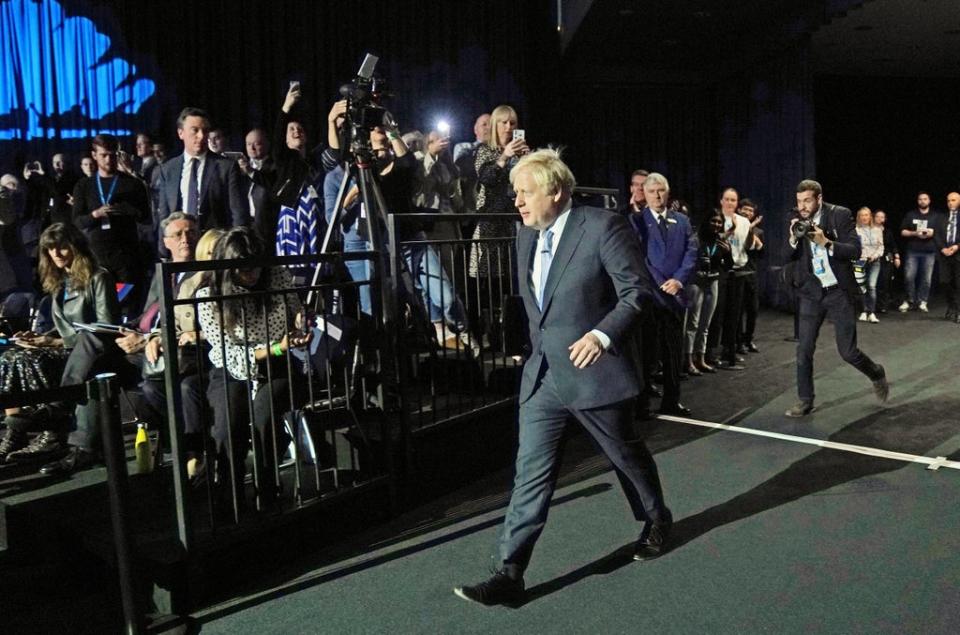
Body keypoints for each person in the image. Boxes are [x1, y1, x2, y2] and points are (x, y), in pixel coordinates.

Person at [454, 149, 671, 607]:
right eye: (515, 193)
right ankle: (509, 572)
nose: (517, 201)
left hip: (595, 372)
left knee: (625, 454)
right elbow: (539, 310)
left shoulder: (603, 226)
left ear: (556, 190)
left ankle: (656, 517)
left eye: (525, 192)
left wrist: (601, 336)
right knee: (530, 474)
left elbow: (637, 293)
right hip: (543, 379)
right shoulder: (524, 237)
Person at [195, 227, 311, 502]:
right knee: (227, 424)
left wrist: (300, 322)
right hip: (232, 366)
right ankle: (229, 496)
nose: (252, 275)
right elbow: (228, 353)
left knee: (265, 414)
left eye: (255, 267)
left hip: (278, 364)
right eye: (244, 269)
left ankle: (267, 490)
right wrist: (275, 348)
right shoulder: (207, 298)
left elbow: (295, 309)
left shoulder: (276, 276)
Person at [0, 223, 121, 465]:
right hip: (66, 346)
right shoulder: (60, 282)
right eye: (50, 249)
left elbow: (105, 327)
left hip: (91, 351)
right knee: (11, 356)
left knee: (35, 360)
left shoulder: (99, 277)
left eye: (61, 247)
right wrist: (37, 337)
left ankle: (52, 429)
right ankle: (17, 432)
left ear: (75, 247)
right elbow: (65, 324)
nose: (55, 253)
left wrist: (53, 342)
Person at [784, 179, 888, 417]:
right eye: (799, 201)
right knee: (804, 349)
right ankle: (805, 400)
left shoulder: (839, 215)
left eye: (807, 200)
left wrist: (827, 242)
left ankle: (876, 372)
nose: (802, 206)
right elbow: (786, 255)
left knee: (848, 352)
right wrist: (792, 239)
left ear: (819, 199)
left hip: (839, 292)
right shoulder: (795, 219)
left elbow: (855, 250)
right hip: (811, 292)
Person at [627, 172, 697, 415]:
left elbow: (692, 251)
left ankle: (672, 401)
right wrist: (662, 283)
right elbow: (639, 258)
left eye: (661, 191)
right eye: (652, 191)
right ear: (644, 194)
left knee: (673, 353)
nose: (657, 195)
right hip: (650, 297)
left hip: (676, 297)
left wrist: (678, 280)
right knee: (647, 353)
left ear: (668, 192)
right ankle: (642, 403)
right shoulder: (635, 221)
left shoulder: (683, 221)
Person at [468, 104, 529, 345]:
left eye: (512, 123)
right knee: (484, 285)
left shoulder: (520, 154)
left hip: (514, 224)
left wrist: (527, 158)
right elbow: (487, 178)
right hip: (490, 226)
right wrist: (505, 156)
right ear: (495, 125)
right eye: (503, 122)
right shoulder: (486, 151)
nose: (508, 127)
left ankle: (509, 337)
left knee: (509, 284)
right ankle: (480, 334)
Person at [71, 134, 151, 316]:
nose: (109, 160)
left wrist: (129, 211)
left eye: (113, 155)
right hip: (96, 255)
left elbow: (146, 217)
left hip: (126, 256)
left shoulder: (132, 184)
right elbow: (77, 221)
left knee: (125, 303)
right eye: (104, 155)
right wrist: (95, 214)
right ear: (94, 155)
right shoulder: (84, 185)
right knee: (100, 304)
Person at [155, 107, 246, 238]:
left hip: (215, 244)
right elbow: (164, 216)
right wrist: (164, 254)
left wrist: (237, 245)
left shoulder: (226, 167)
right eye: (195, 130)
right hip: (181, 245)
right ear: (181, 133)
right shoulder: (168, 169)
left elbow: (238, 213)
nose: (201, 136)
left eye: (205, 131)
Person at [707, 187, 751, 370]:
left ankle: (729, 350)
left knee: (734, 315)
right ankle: (710, 353)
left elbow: (745, 245)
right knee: (718, 314)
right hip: (721, 271)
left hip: (739, 270)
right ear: (721, 201)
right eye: (727, 199)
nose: (730, 203)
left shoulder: (744, 221)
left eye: (734, 200)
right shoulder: (717, 219)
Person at [685, 210, 731, 375]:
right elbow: (688, 261)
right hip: (696, 283)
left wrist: (728, 253)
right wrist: (696, 271)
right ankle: (688, 360)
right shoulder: (696, 239)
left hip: (713, 282)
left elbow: (728, 266)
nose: (717, 225)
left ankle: (701, 358)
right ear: (706, 222)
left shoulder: (721, 241)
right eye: (713, 221)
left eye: (719, 222)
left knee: (706, 324)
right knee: (693, 323)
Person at [898, 191, 938, 313]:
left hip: (929, 251)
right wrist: (914, 233)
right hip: (913, 250)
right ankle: (909, 300)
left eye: (925, 199)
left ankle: (922, 301)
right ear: (917, 201)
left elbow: (941, 232)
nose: (923, 201)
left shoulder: (935, 215)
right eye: (920, 199)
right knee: (909, 276)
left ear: (929, 200)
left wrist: (933, 233)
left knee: (926, 279)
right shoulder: (911, 214)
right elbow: (902, 231)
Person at [737, 198, 764, 353]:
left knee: (753, 309)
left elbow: (761, 254)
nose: (747, 212)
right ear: (739, 210)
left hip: (752, 273)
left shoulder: (759, 232)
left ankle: (749, 339)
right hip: (737, 274)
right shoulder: (734, 227)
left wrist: (754, 236)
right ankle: (738, 342)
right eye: (745, 209)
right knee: (738, 311)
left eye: (751, 211)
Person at [934, 192, 960, 322]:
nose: (951, 203)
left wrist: (957, 246)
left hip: (958, 253)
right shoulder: (942, 217)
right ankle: (952, 306)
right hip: (945, 255)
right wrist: (943, 248)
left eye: (953, 200)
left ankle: (959, 311)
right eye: (949, 200)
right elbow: (937, 234)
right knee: (945, 282)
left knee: (958, 283)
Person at [854, 207, 883, 323]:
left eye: (866, 215)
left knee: (871, 286)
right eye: (862, 215)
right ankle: (864, 311)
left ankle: (872, 312)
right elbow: (853, 247)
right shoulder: (855, 230)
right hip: (860, 261)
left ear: (870, 216)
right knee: (862, 287)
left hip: (874, 262)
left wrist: (875, 256)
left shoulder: (877, 230)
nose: (864, 217)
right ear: (859, 217)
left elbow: (881, 246)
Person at [873, 209, 900, 312]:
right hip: (873, 258)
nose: (880, 219)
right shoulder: (869, 230)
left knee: (885, 282)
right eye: (877, 216)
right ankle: (873, 304)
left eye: (882, 217)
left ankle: (883, 305)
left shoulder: (887, 231)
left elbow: (893, 245)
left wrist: (897, 257)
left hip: (886, 258)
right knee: (874, 283)